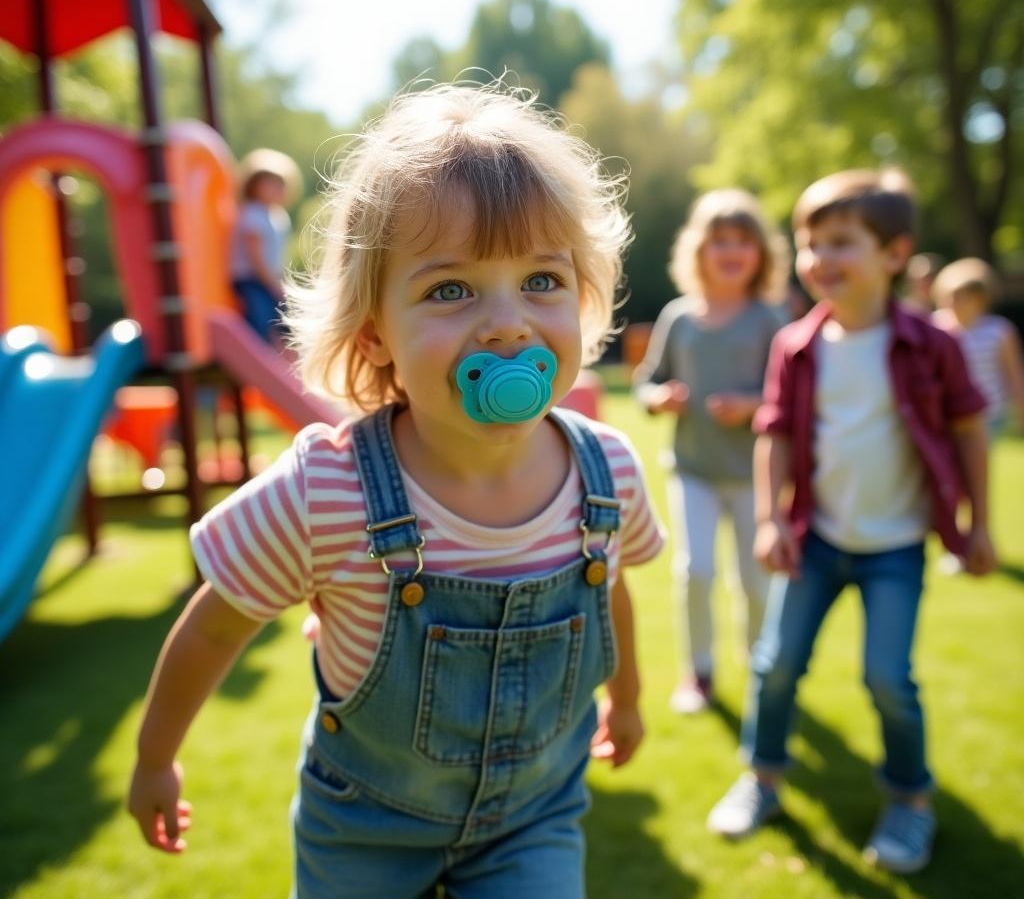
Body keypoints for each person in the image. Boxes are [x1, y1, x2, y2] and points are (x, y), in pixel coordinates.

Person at [128, 83, 666, 898]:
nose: (507, 325)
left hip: (534, 818)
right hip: (364, 832)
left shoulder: (608, 471)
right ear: (377, 333)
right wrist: (155, 759)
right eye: (451, 290)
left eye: (542, 281)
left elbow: (611, 589)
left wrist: (625, 699)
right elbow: (212, 629)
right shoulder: (328, 491)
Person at [706, 168, 996, 874]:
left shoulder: (933, 344)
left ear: (894, 255)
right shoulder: (795, 346)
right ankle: (763, 778)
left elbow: (968, 430)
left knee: (888, 679)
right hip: (818, 539)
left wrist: (979, 524)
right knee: (774, 667)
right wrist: (772, 520)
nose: (819, 260)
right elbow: (772, 433)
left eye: (841, 243)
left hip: (896, 547)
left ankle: (909, 802)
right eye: (809, 245)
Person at [634, 189, 788, 714]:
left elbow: (791, 396)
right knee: (695, 571)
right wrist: (660, 399)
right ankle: (698, 672)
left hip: (754, 475)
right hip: (693, 470)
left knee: (757, 582)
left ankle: (761, 665)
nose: (731, 250)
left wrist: (753, 405)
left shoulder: (769, 318)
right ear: (697, 250)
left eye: (743, 240)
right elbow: (646, 382)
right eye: (719, 239)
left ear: (761, 253)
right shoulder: (679, 317)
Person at [932, 257, 1024, 433]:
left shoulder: (999, 331)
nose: (955, 302)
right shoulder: (935, 327)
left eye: (964, 296)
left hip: (991, 413)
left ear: (980, 299)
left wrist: (1021, 411)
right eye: (952, 296)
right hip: (950, 412)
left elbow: (1014, 374)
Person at [229, 147, 301, 345]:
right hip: (251, 279)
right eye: (269, 183)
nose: (275, 189)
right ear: (253, 186)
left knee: (285, 318)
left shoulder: (278, 216)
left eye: (279, 184)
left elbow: (277, 255)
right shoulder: (253, 213)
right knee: (259, 317)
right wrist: (272, 284)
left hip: (269, 278)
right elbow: (256, 257)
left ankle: (279, 358)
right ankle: (255, 352)